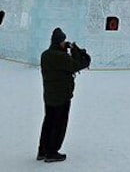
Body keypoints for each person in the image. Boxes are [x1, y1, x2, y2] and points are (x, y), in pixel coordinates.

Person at [38, 27, 79, 163]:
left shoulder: (45, 55)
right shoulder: (62, 57)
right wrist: (75, 50)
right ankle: (52, 152)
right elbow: (79, 64)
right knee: (59, 124)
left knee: (48, 122)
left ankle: (42, 150)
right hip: (62, 95)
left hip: (49, 95)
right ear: (60, 42)